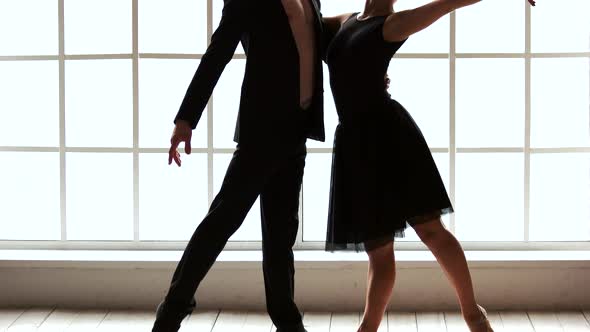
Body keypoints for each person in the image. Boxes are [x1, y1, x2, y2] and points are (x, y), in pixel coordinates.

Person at [322, 0, 535, 331]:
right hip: (355, 147)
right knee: (378, 251)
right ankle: (368, 328)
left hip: (390, 140)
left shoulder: (392, 25)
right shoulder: (347, 21)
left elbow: (449, 3)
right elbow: (303, 19)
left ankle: (473, 315)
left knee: (431, 231)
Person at [152, 0, 327, 331]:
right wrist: (186, 119)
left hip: (296, 131)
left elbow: (316, 39)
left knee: (280, 236)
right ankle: (171, 314)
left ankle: (288, 322)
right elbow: (217, 53)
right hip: (261, 132)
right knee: (221, 222)